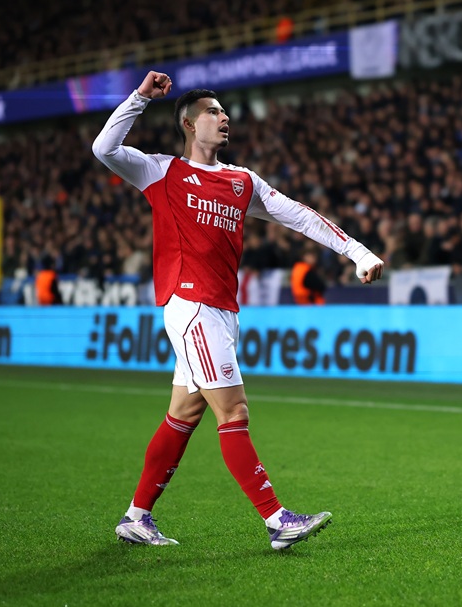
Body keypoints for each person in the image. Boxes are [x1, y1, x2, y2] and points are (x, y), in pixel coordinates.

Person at [92, 71, 384, 549]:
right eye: (213, 111)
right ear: (189, 124)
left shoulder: (241, 181)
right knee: (234, 410)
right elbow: (104, 148)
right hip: (191, 303)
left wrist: (358, 252)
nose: (223, 117)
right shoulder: (161, 170)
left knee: (184, 413)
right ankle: (277, 521)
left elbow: (299, 215)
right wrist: (140, 98)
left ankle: (137, 516)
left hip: (223, 309)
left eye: (225, 112)